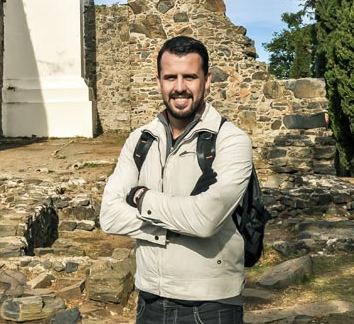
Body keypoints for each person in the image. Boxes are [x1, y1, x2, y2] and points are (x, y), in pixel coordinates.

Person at [99, 35, 253, 324]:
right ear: (159, 81)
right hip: (150, 301)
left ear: (207, 81)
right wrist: (178, 224)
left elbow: (207, 219)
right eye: (171, 77)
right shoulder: (140, 140)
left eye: (189, 77)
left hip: (211, 306)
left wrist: (142, 199)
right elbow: (109, 215)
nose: (179, 87)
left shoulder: (231, 141)